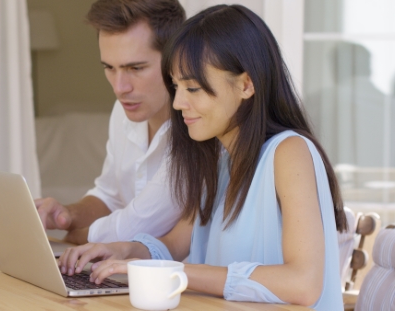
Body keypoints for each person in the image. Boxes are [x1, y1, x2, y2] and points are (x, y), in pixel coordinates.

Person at [57, 4, 348, 310]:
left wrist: (176, 274)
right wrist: (121, 251)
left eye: (193, 88)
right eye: (176, 86)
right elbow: (173, 245)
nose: (179, 102)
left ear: (247, 84)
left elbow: (303, 284)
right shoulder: (219, 157)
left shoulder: (290, 152)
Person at [35, 0, 186, 245]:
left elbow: (136, 225)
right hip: (122, 274)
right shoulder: (123, 110)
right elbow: (110, 196)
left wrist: (75, 237)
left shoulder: (197, 128)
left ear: (176, 58)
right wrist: (66, 215)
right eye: (109, 68)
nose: (119, 88)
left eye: (135, 68)